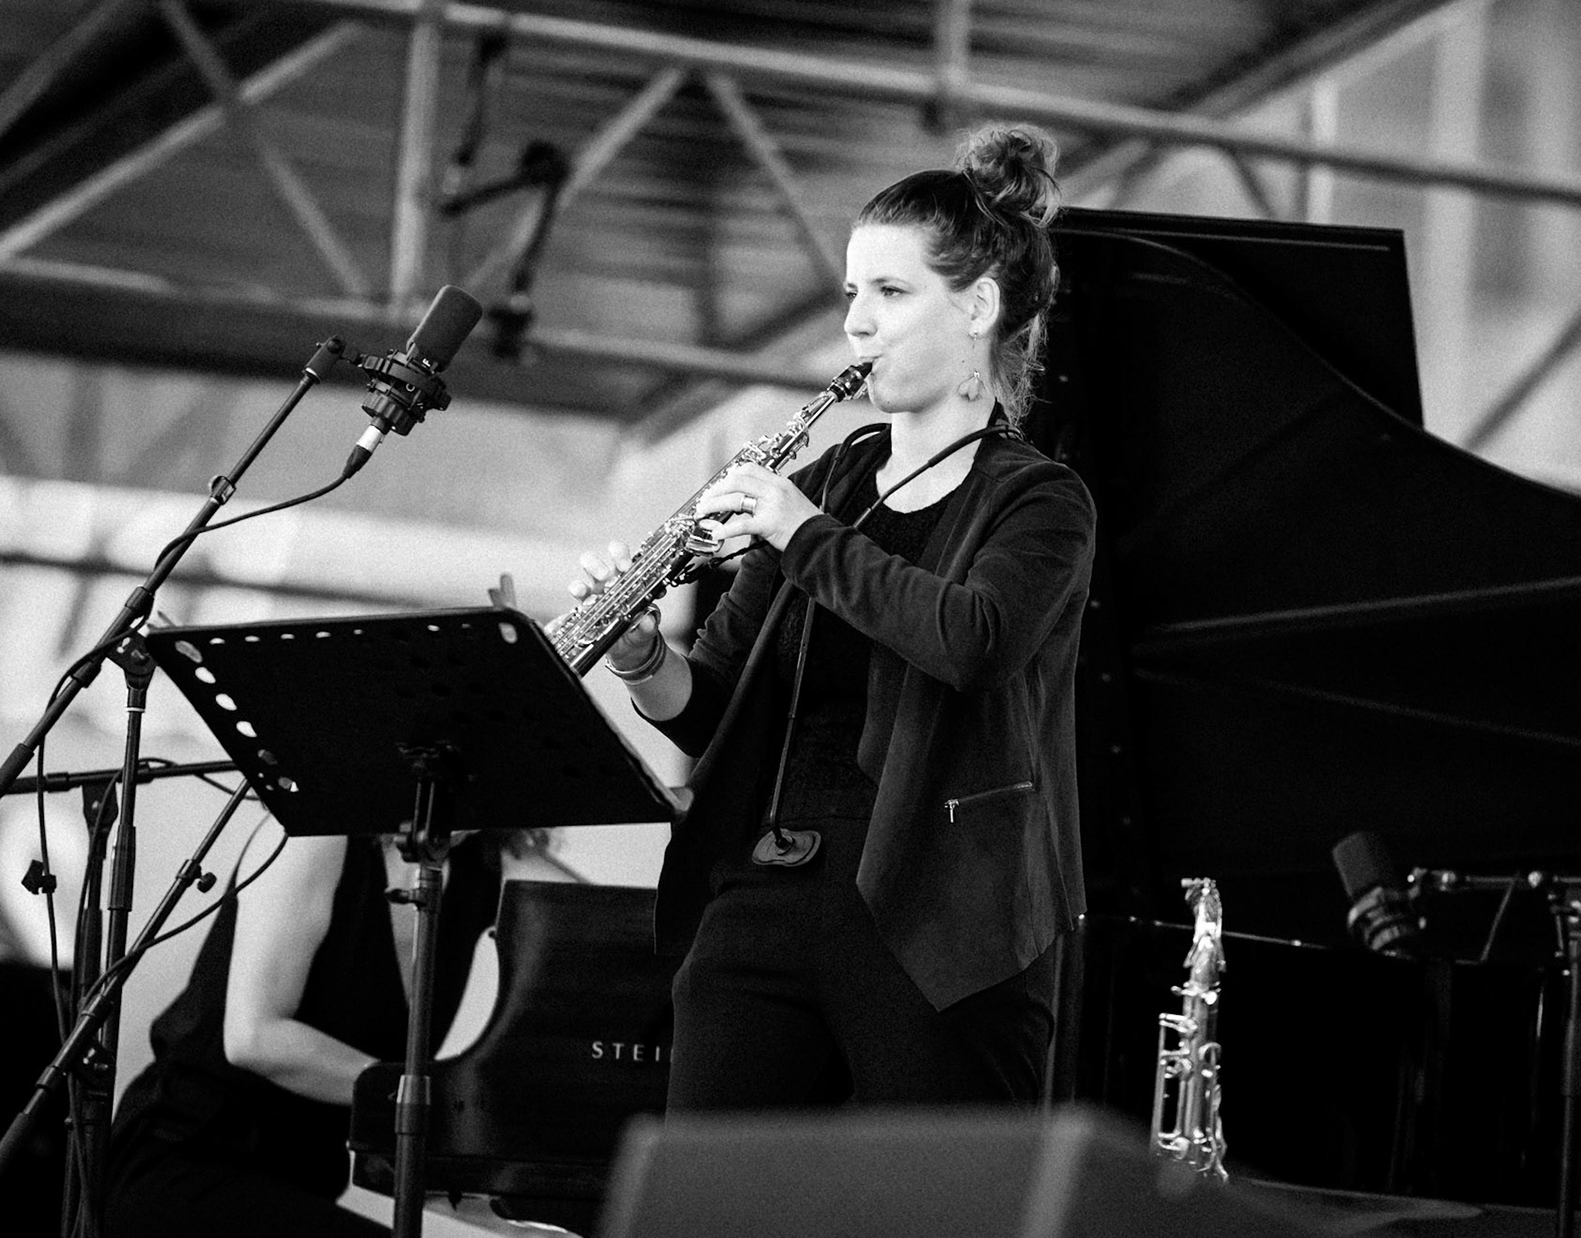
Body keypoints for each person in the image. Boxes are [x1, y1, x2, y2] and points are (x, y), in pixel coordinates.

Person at [572, 123, 1095, 1111]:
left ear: (978, 305)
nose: (856, 322)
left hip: (937, 917)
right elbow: (712, 709)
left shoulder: (1038, 500)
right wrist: (644, 656)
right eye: (854, 292)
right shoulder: (833, 479)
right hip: (770, 888)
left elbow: (971, 641)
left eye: (891, 293)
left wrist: (800, 530)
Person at [104, 828, 567, 1237]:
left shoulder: (480, 863)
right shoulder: (318, 838)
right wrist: (442, 1098)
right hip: (186, 1159)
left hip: (300, 1184)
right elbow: (255, 1039)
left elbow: (612, 922)